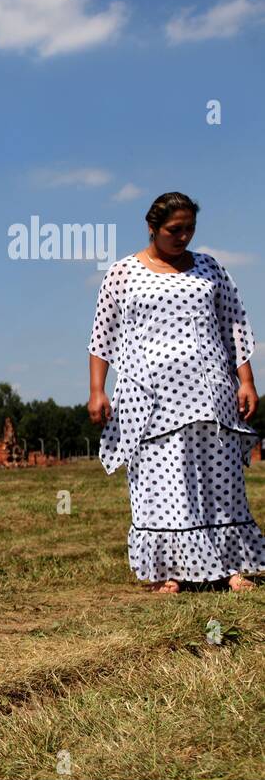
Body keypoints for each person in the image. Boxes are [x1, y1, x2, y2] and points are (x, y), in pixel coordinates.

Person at [89, 191, 262, 593]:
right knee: (162, 480)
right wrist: (98, 389)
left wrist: (248, 380)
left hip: (209, 391)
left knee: (219, 478)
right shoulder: (123, 273)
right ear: (152, 228)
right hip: (148, 396)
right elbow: (103, 334)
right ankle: (170, 571)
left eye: (189, 229)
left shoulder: (210, 269)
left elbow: (234, 325)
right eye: (174, 230)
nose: (183, 236)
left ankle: (232, 567)